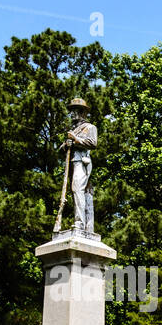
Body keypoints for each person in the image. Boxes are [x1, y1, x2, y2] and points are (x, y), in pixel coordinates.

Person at [64, 97, 97, 234]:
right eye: (71, 111)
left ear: (82, 112)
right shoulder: (73, 130)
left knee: (77, 189)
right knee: (75, 191)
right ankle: (81, 222)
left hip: (82, 162)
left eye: (75, 111)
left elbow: (93, 143)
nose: (72, 114)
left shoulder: (89, 127)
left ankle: (80, 223)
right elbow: (62, 148)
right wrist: (67, 144)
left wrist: (75, 140)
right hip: (71, 163)